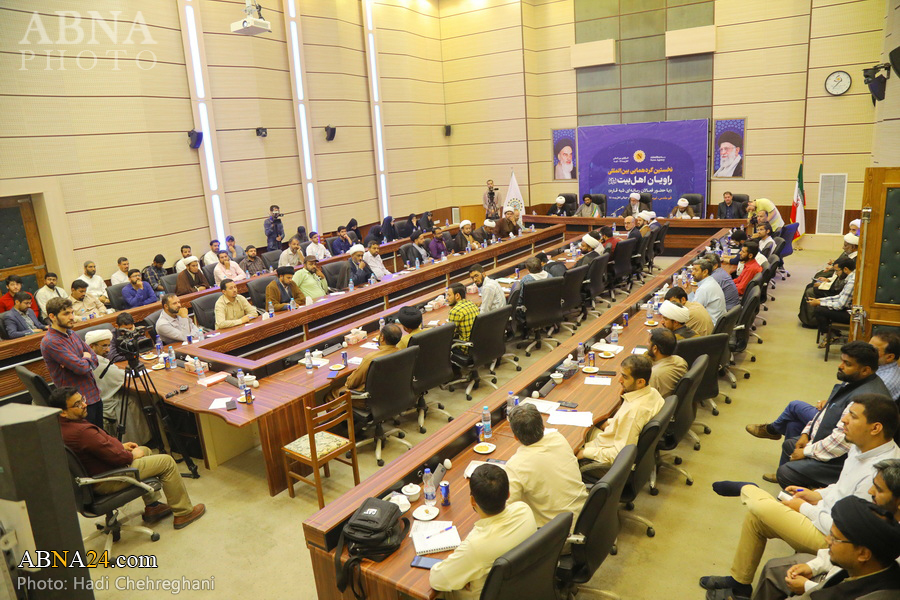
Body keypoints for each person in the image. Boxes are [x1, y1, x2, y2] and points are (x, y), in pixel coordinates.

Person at [702, 394, 900, 600]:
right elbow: (840, 487)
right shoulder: (862, 446)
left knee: (763, 508)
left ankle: (748, 489)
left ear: (875, 428)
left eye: (853, 416)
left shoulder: (878, 476)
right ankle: (739, 583)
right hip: (824, 514)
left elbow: (846, 529)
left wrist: (804, 508)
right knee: (756, 518)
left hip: (832, 536)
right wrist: (815, 494)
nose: (844, 420)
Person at [51, 386, 206, 529]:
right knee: (166, 462)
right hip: (107, 479)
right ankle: (183, 513)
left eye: (82, 400)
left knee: (145, 450)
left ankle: (153, 506)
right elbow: (117, 458)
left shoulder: (61, 427)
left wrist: (121, 446)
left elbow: (98, 447)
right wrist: (130, 455)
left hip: (93, 476)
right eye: (77, 404)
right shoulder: (82, 432)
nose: (84, 405)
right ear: (63, 412)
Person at [751, 459, 900, 600]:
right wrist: (813, 567)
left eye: (879, 489)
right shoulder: (879, 517)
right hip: (838, 568)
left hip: (836, 577)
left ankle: (749, 490)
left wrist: (809, 587)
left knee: (761, 509)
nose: (870, 492)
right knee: (773, 567)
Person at [746, 341, 890, 488]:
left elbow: (842, 441)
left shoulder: (865, 399)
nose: (840, 366)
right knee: (790, 441)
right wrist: (806, 433)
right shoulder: (854, 380)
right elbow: (825, 412)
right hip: (831, 443)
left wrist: (806, 452)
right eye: (841, 361)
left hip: (840, 460)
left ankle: (801, 495)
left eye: (847, 364)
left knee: (786, 472)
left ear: (865, 370)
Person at [430, 465, 536, 600]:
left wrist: (463, 572)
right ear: (508, 494)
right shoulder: (524, 510)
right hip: (520, 590)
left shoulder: (475, 547)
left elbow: (436, 580)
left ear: (472, 500)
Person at [505, 403, 587, 527]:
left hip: (557, 530)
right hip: (585, 514)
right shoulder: (558, 438)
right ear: (543, 428)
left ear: (516, 437)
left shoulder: (516, 465)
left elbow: (507, 509)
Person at [578, 354, 665, 467]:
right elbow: (627, 422)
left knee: (573, 440)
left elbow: (620, 455)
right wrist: (611, 422)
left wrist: (585, 453)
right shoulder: (653, 392)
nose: (620, 380)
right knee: (587, 425)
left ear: (640, 382)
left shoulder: (633, 412)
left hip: (608, 455)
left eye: (625, 377)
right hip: (613, 438)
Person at [41, 298, 102, 426]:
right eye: (66, 314)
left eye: (72, 313)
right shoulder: (51, 342)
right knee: (88, 437)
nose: (72, 317)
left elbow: (95, 357)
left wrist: (83, 359)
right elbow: (81, 368)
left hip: (93, 395)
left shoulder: (72, 333)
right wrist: (85, 359)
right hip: (76, 404)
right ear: (52, 316)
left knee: (100, 433)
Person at [84, 330, 151, 444]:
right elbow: (123, 377)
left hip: (102, 397)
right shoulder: (96, 361)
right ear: (92, 346)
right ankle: (143, 440)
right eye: (104, 346)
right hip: (108, 402)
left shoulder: (92, 357)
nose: (108, 349)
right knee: (142, 397)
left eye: (108, 345)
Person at [330, 324, 402, 407]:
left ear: (382, 337)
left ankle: (344, 415)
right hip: (392, 394)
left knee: (333, 393)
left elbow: (350, 384)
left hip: (369, 399)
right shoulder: (402, 352)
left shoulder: (371, 358)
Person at [810, 258, 856, 341]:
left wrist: (819, 303)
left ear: (845, 269)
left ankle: (831, 334)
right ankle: (831, 333)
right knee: (821, 307)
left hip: (851, 314)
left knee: (819, 310)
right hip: (848, 308)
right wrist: (820, 300)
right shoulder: (851, 277)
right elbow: (839, 296)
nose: (836, 274)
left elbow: (840, 305)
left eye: (837, 271)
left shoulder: (852, 282)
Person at [648, 328, 688, 398]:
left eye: (648, 342)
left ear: (655, 348)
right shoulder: (680, 360)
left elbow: (648, 399)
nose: (646, 344)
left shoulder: (655, 374)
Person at [690, 258, 726, 325]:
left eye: (696, 270)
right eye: (692, 270)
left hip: (711, 326)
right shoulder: (711, 281)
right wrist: (689, 292)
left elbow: (693, 312)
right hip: (719, 324)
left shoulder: (703, 289)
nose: (692, 273)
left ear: (705, 272)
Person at [447, 283, 479, 350]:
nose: (447, 298)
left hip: (465, 347)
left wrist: (443, 325)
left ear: (457, 296)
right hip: (477, 344)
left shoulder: (455, 311)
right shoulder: (472, 304)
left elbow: (450, 335)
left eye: (449, 295)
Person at [870, 331, 900, 400]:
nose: (866, 351)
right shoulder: (877, 366)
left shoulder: (884, 382)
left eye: (873, 350)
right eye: (868, 347)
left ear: (889, 357)